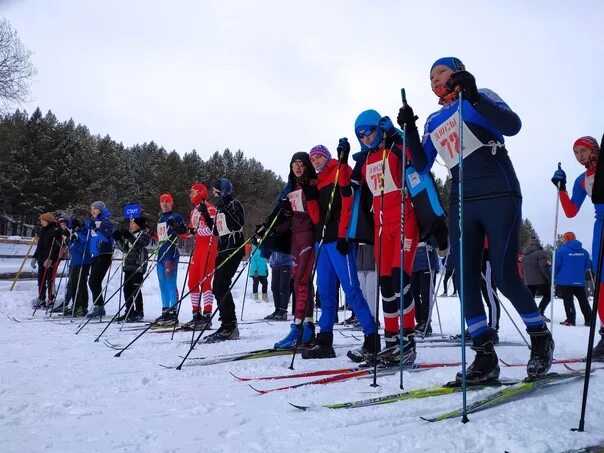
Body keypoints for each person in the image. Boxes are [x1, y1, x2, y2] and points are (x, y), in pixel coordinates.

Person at [422, 56, 554, 382]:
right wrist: (409, 130)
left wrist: (476, 96)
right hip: (462, 199)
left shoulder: (481, 94)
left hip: (498, 191)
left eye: (441, 71)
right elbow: (420, 165)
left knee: (505, 276)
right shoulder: (434, 118)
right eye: (430, 77)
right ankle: (484, 355)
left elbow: (512, 125)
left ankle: (540, 337)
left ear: (458, 70)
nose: (435, 79)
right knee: (465, 276)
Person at [349, 105, 435, 365]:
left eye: (370, 132)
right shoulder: (366, 159)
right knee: (386, 285)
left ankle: (407, 343)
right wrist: (345, 162)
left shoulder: (395, 148)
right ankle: (390, 341)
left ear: (379, 129)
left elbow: (417, 159)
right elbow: (350, 189)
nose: (366, 138)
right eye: (360, 134)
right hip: (379, 226)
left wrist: (397, 132)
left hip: (403, 220)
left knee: (401, 280)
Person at [300, 144, 378, 360]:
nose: (315, 161)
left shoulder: (338, 170)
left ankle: (371, 337)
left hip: (339, 241)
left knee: (351, 291)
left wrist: (344, 236)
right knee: (324, 292)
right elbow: (317, 218)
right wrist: (311, 196)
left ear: (327, 156)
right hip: (322, 243)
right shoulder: (317, 181)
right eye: (312, 159)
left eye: (318, 157)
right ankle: (325, 341)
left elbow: (347, 205)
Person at [551, 136, 604, 358]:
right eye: (576, 153)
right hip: (600, 224)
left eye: (583, 150)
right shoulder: (583, 179)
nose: (580, 156)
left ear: (594, 149)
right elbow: (572, 211)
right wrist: (561, 189)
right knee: (601, 279)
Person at [204, 178, 246, 342]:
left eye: (216, 191)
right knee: (218, 287)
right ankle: (226, 324)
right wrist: (206, 215)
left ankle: (230, 325)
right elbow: (216, 232)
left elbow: (238, 224)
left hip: (234, 248)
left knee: (220, 285)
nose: (214, 195)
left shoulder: (234, 204)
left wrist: (224, 208)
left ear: (223, 191)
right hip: (223, 250)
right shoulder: (220, 209)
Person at [182, 183, 217, 330]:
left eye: (192, 192)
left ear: (200, 192)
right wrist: (180, 230)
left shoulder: (210, 208)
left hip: (209, 247)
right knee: (193, 281)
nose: (190, 195)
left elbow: (214, 230)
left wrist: (195, 232)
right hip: (198, 249)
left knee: (205, 280)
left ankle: (207, 315)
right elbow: (190, 232)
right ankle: (196, 314)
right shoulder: (194, 211)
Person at [154, 193, 187, 327]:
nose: (165, 203)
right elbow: (160, 237)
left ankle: (173, 311)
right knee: (162, 282)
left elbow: (183, 233)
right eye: (162, 201)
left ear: (172, 203)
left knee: (170, 282)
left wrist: (178, 227)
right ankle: (165, 309)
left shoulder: (176, 216)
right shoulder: (161, 218)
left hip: (171, 252)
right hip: (161, 253)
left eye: (167, 201)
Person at [113, 217, 150, 322]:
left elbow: (138, 245)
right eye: (131, 224)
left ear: (139, 225)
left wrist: (128, 235)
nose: (131, 226)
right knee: (127, 290)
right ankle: (129, 311)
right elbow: (125, 249)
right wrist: (118, 239)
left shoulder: (144, 235)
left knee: (135, 290)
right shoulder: (132, 235)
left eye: (134, 224)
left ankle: (139, 312)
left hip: (138, 266)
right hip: (128, 266)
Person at [555, 232, 593, 326]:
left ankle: (571, 320)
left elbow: (556, 266)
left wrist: (554, 276)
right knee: (583, 300)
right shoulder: (584, 251)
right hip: (579, 280)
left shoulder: (560, 251)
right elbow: (588, 265)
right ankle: (589, 320)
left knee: (568, 301)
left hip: (565, 281)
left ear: (566, 239)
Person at [85, 201, 115, 318]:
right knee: (93, 281)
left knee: (94, 281)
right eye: (91, 209)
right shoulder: (95, 222)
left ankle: (99, 307)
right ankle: (99, 307)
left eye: (95, 209)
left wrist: (95, 229)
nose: (92, 211)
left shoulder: (105, 221)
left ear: (101, 210)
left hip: (104, 253)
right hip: (96, 253)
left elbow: (106, 238)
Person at [31, 212, 62, 308]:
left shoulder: (55, 231)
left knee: (50, 280)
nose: (41, 222)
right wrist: (35, 257)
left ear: (49, 221)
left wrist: (51, 259)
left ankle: (51, 299)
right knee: (41, 279)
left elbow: (57, 247)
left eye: (43, 220)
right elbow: (39, 246)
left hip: (50, 259)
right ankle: (41, 298)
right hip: (41, 258)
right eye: (41, 220)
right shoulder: (43, 230)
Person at [522, 236, 552, 321]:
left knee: (531, 298)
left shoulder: (525, 255)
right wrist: (549, 278)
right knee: (547, 296)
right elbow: (544, 267)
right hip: (540, 279)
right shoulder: (541, 253)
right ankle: (540, 312)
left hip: (529, 280)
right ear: (538, 243)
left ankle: (531, 314)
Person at [65, 218, 91, 317]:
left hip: (84, 262)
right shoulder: (72, 235)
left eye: (72, 227)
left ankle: (83, 306)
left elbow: (86, 243)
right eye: (69, 228)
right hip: (75, 262)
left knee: (81, 283)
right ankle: (75, 305)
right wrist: (68, 239)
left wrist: (77, 236)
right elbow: (70, 243)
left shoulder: (84, 233)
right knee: (73, 284)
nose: (70, 229)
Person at [480, 238, 501, 342]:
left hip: (485, 258)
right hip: (473, 257)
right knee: (474, 298)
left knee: (490, 295)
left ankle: (492, 328)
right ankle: (477, 327)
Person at [266, 250, 293, 320]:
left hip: (285, 263)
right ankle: (277, 309)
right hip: (275, 263)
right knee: (274, 287)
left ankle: (283, 310)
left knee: (284, 287)